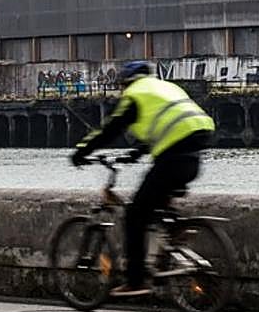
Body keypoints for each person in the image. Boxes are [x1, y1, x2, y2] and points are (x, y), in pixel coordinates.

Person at [70, 60, 215, 296]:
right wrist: (137, 152)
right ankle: (175, 231)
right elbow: (165, 126)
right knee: (157, 203)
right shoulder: (164, 88)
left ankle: (135, 280)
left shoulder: (136, 95)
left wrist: (82, 151)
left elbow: (112, 129)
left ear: (127, 82)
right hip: (196, 149)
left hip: (174, 156)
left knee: (134, 215)